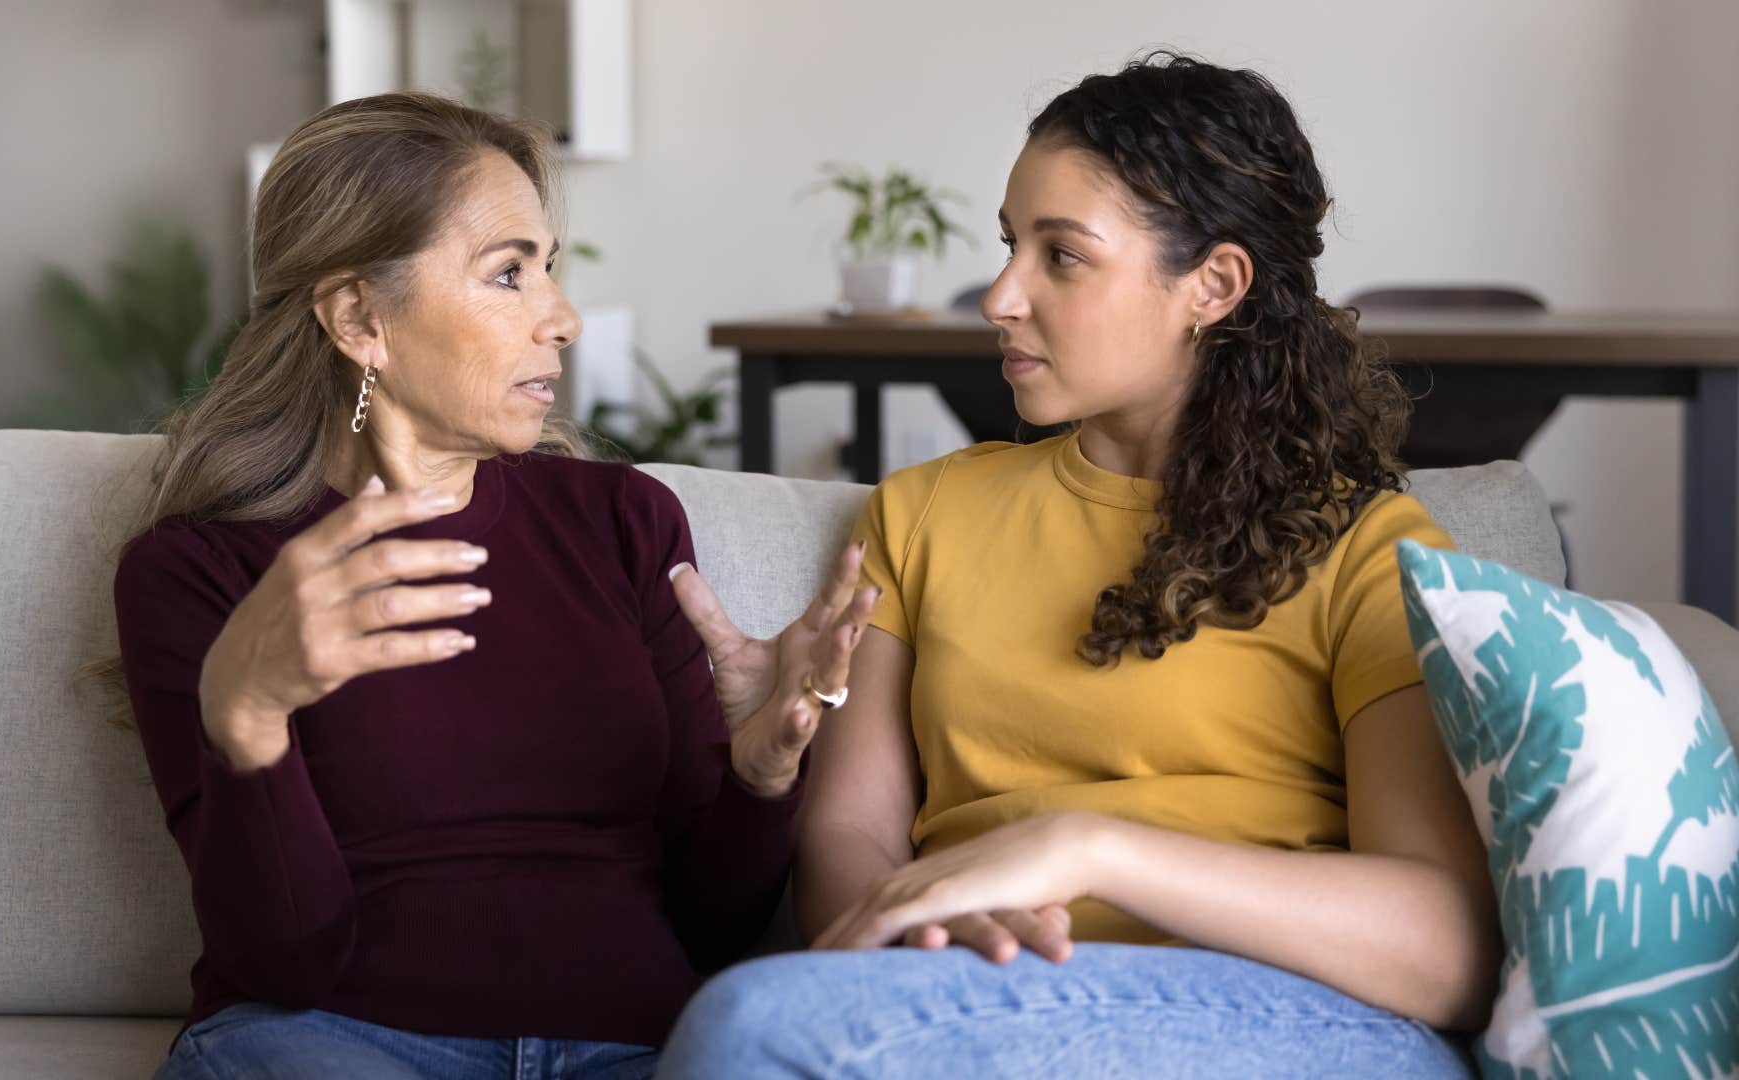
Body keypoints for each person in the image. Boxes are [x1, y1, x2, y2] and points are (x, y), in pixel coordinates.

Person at [658, 52, 1501, 1078]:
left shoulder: (1370, 548)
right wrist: (918, 933)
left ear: (1213, 286)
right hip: (982, 995)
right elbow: (850, 837)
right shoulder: (925, 514)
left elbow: (1447, 951)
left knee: (749, 1029)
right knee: (767, 1018)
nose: (1000, 297)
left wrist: (1089, 849)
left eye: (1061, 256)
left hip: (1301, 1017)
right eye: (1009, 245)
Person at [107, 91, 874, 1080]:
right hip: (334, 1043)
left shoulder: (623, 523)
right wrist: (247, 717)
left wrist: (760, 779)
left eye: (548, 268)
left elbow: (707, 927)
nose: (563, 318)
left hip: (628, 1047)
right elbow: (280, 963)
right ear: (359, 318)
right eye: (509, 274)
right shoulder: (201, 572)